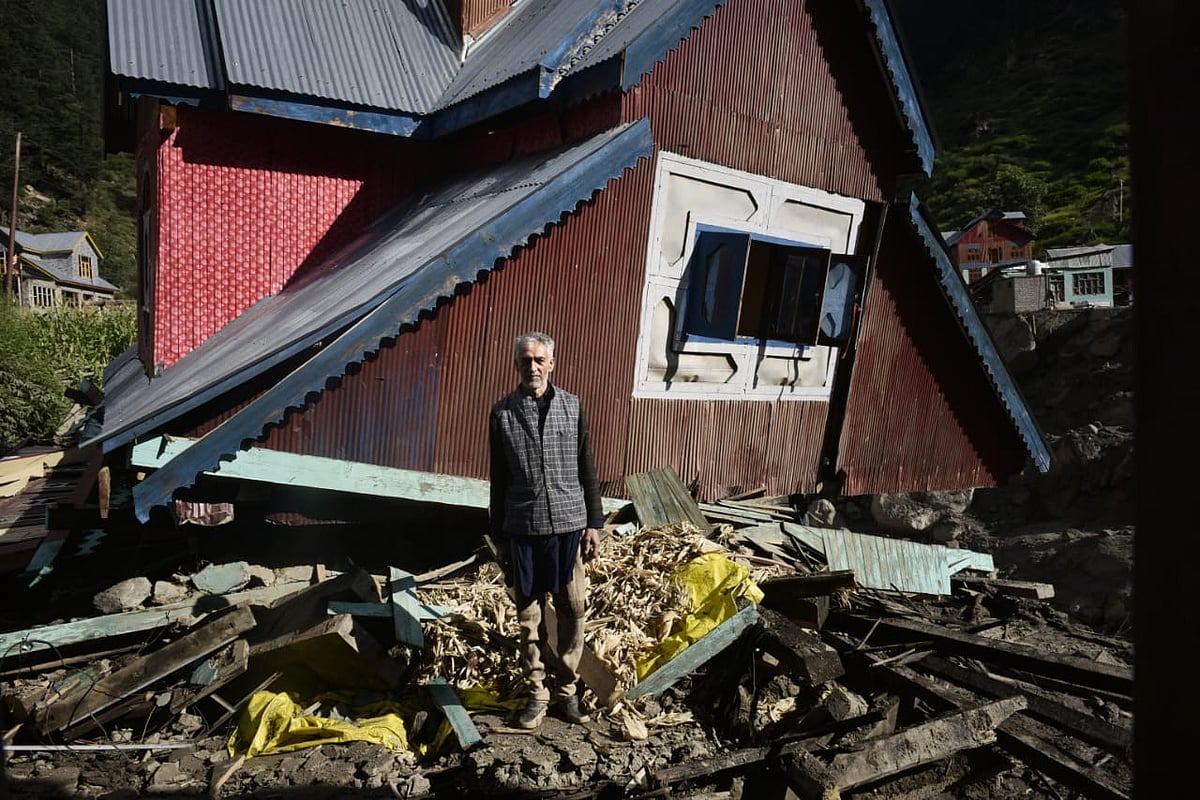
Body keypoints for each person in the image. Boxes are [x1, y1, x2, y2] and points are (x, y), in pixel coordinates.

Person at [489, 331, 604, 729]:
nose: (532, 367)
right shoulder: (502, 414)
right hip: (523, 527)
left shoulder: (572, 407)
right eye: (525, 361)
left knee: (573, 608)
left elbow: (586, 468)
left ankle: (567, 691)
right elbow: (498, 482)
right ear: (517, 366)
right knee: (528, 616)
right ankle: (537, 694)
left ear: (552, 364)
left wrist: (594, 522)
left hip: (569, 526)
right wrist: (500, 540)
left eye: (539, 360)